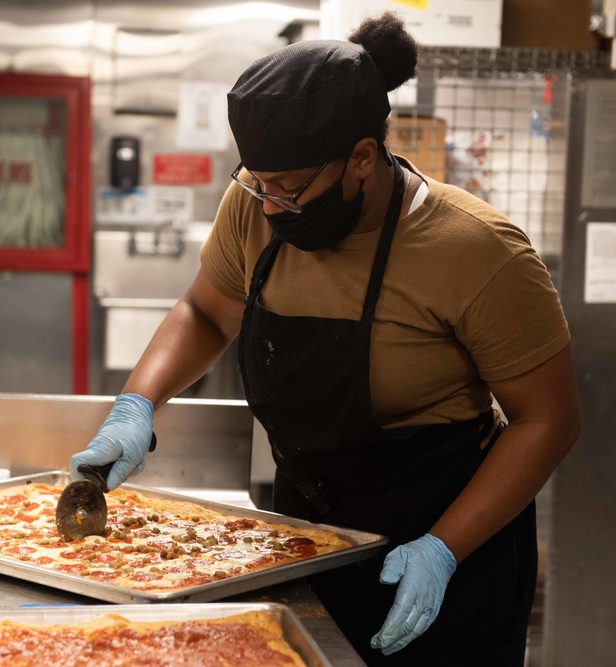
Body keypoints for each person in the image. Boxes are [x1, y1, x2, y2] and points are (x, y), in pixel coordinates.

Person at [70, 12, 580, 665]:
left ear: (361, 158)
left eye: (289, 189)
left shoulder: (477, 252)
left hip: (448, 552)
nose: (269, 207)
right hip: (307, 540)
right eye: (258, 184)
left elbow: (549, 419)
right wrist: (137, 403)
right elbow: (204, 311)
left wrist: (443, 547)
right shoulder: (252, 208)